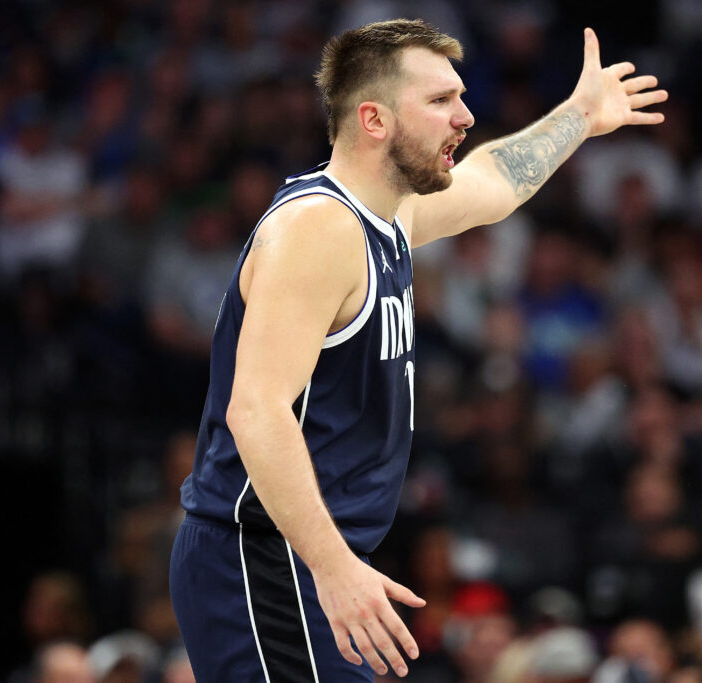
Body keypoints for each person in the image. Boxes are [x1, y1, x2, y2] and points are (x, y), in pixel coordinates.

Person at [169, 18, 666, 681]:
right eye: (440, 100)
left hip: (307, 554)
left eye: (461, 96)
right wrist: (334, 565)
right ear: (373, 119)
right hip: (265, 557)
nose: (464, 116)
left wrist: (578, 115)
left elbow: (494, 182)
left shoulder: (390, 214)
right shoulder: (318, 229)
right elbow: (256, 411)